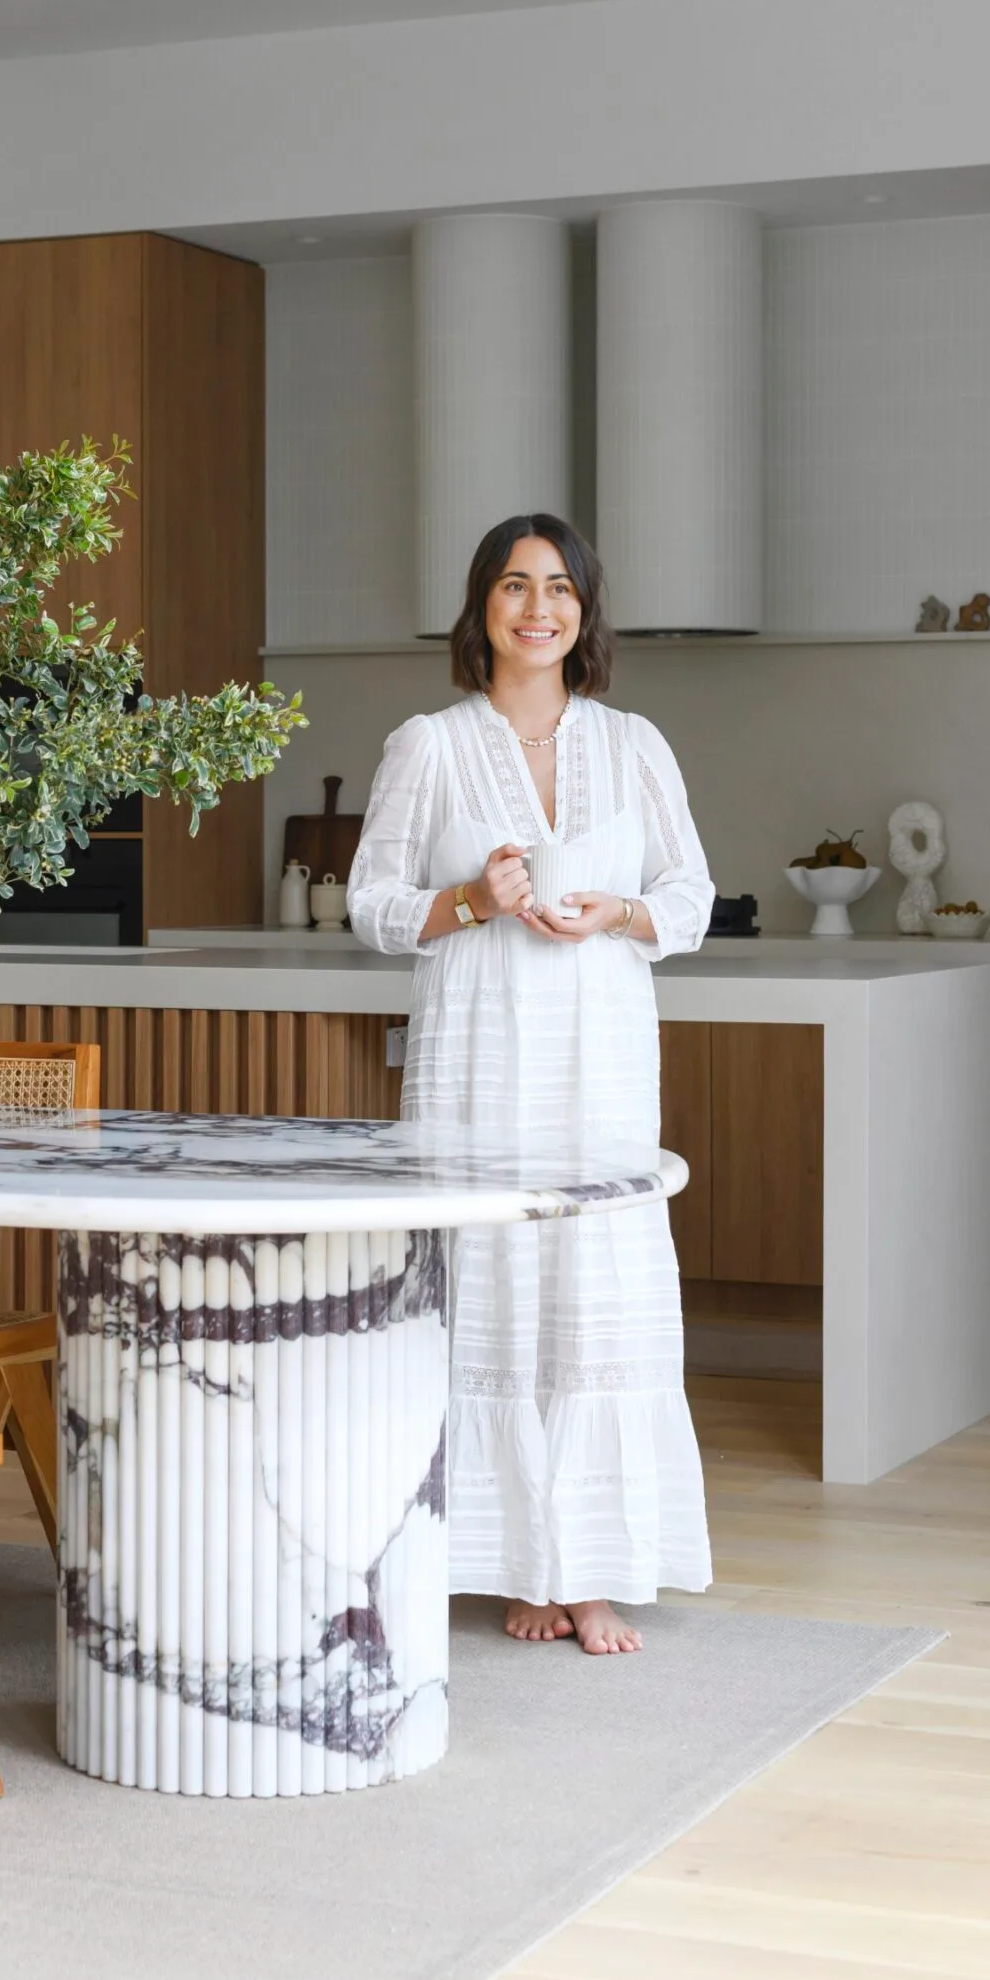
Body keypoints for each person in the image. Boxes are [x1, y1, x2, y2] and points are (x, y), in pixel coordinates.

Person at [347, 512, 714, 1654]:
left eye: (559, 587)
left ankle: (590, 1568)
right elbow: (373, 905)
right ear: (483, 609)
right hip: (479, 1052)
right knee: (493, 1270)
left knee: (592, 1269)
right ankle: (513, 1561)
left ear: (584, 612)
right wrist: (469, 900)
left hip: (598, 1048)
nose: (538, 606)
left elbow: (692, 894)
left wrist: (619, 911)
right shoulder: (430, 743)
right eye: (515, 586)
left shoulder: (637, 744)